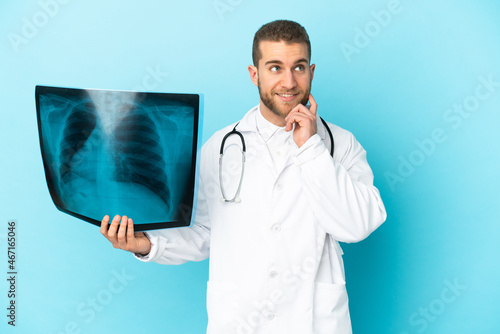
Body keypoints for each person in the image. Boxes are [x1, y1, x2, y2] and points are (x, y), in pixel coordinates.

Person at [100, 20, 386, 334]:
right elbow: (204, 233)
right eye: (275, 67)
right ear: (255, 74)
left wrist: (311, 148)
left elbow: (357, 226)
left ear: (311, 72)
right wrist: (145, 244)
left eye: (299, 67)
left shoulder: (340, 145)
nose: (289, 82)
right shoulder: (220, 148)